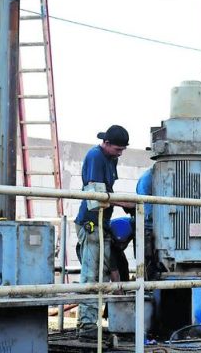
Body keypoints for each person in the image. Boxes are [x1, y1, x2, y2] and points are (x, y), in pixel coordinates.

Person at [74, 125, 135, 340]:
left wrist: (121, 203)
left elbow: (107, 193)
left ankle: (90, 322)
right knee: (91, 275)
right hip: (91, 222)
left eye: (122, 150)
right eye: (118, 149)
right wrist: (124, 202)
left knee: (101, 273)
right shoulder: (95, 157)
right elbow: (96, 195)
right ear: (106, 144)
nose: (120, 153)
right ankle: (87, 326)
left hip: (102, 222)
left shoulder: (110, 158)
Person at [135, 168, 159, 279]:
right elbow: (147, 208)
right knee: (149, 260)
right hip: (149, 226)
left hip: (150, 224)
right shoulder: (149, 178)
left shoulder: (148, 176)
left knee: (149, 260)